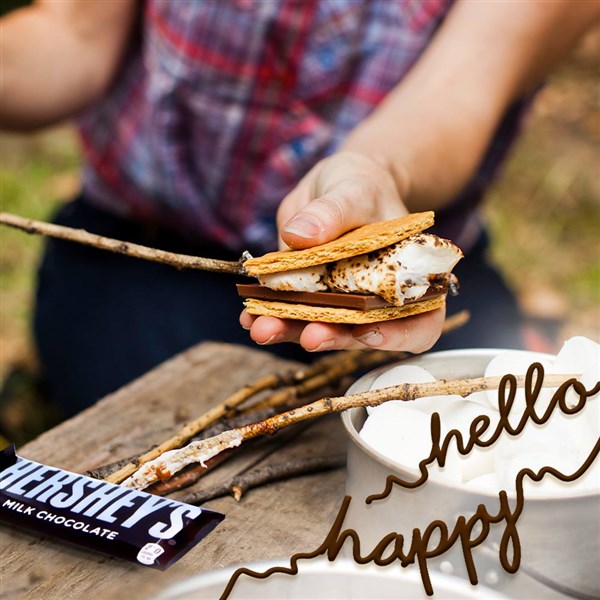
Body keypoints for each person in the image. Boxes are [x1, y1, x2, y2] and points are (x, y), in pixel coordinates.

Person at [0, 0, 597, 416]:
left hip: (391, 296)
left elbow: (461, 93)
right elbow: (74, 39)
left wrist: (375, 171)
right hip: (145, 269)